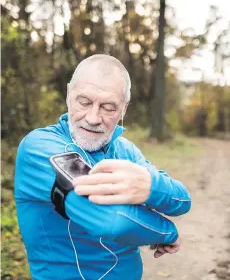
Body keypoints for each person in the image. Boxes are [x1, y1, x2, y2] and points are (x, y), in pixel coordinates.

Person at [14, 54, 191, 280]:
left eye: (107, 107)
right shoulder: (41, 148)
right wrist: (168, 233)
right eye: (84, 102)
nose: (93, 117)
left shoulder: (125, 149)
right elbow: (113, 220)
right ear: (69, 94)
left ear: (124, 108)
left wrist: (149, 185)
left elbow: (182, 201)